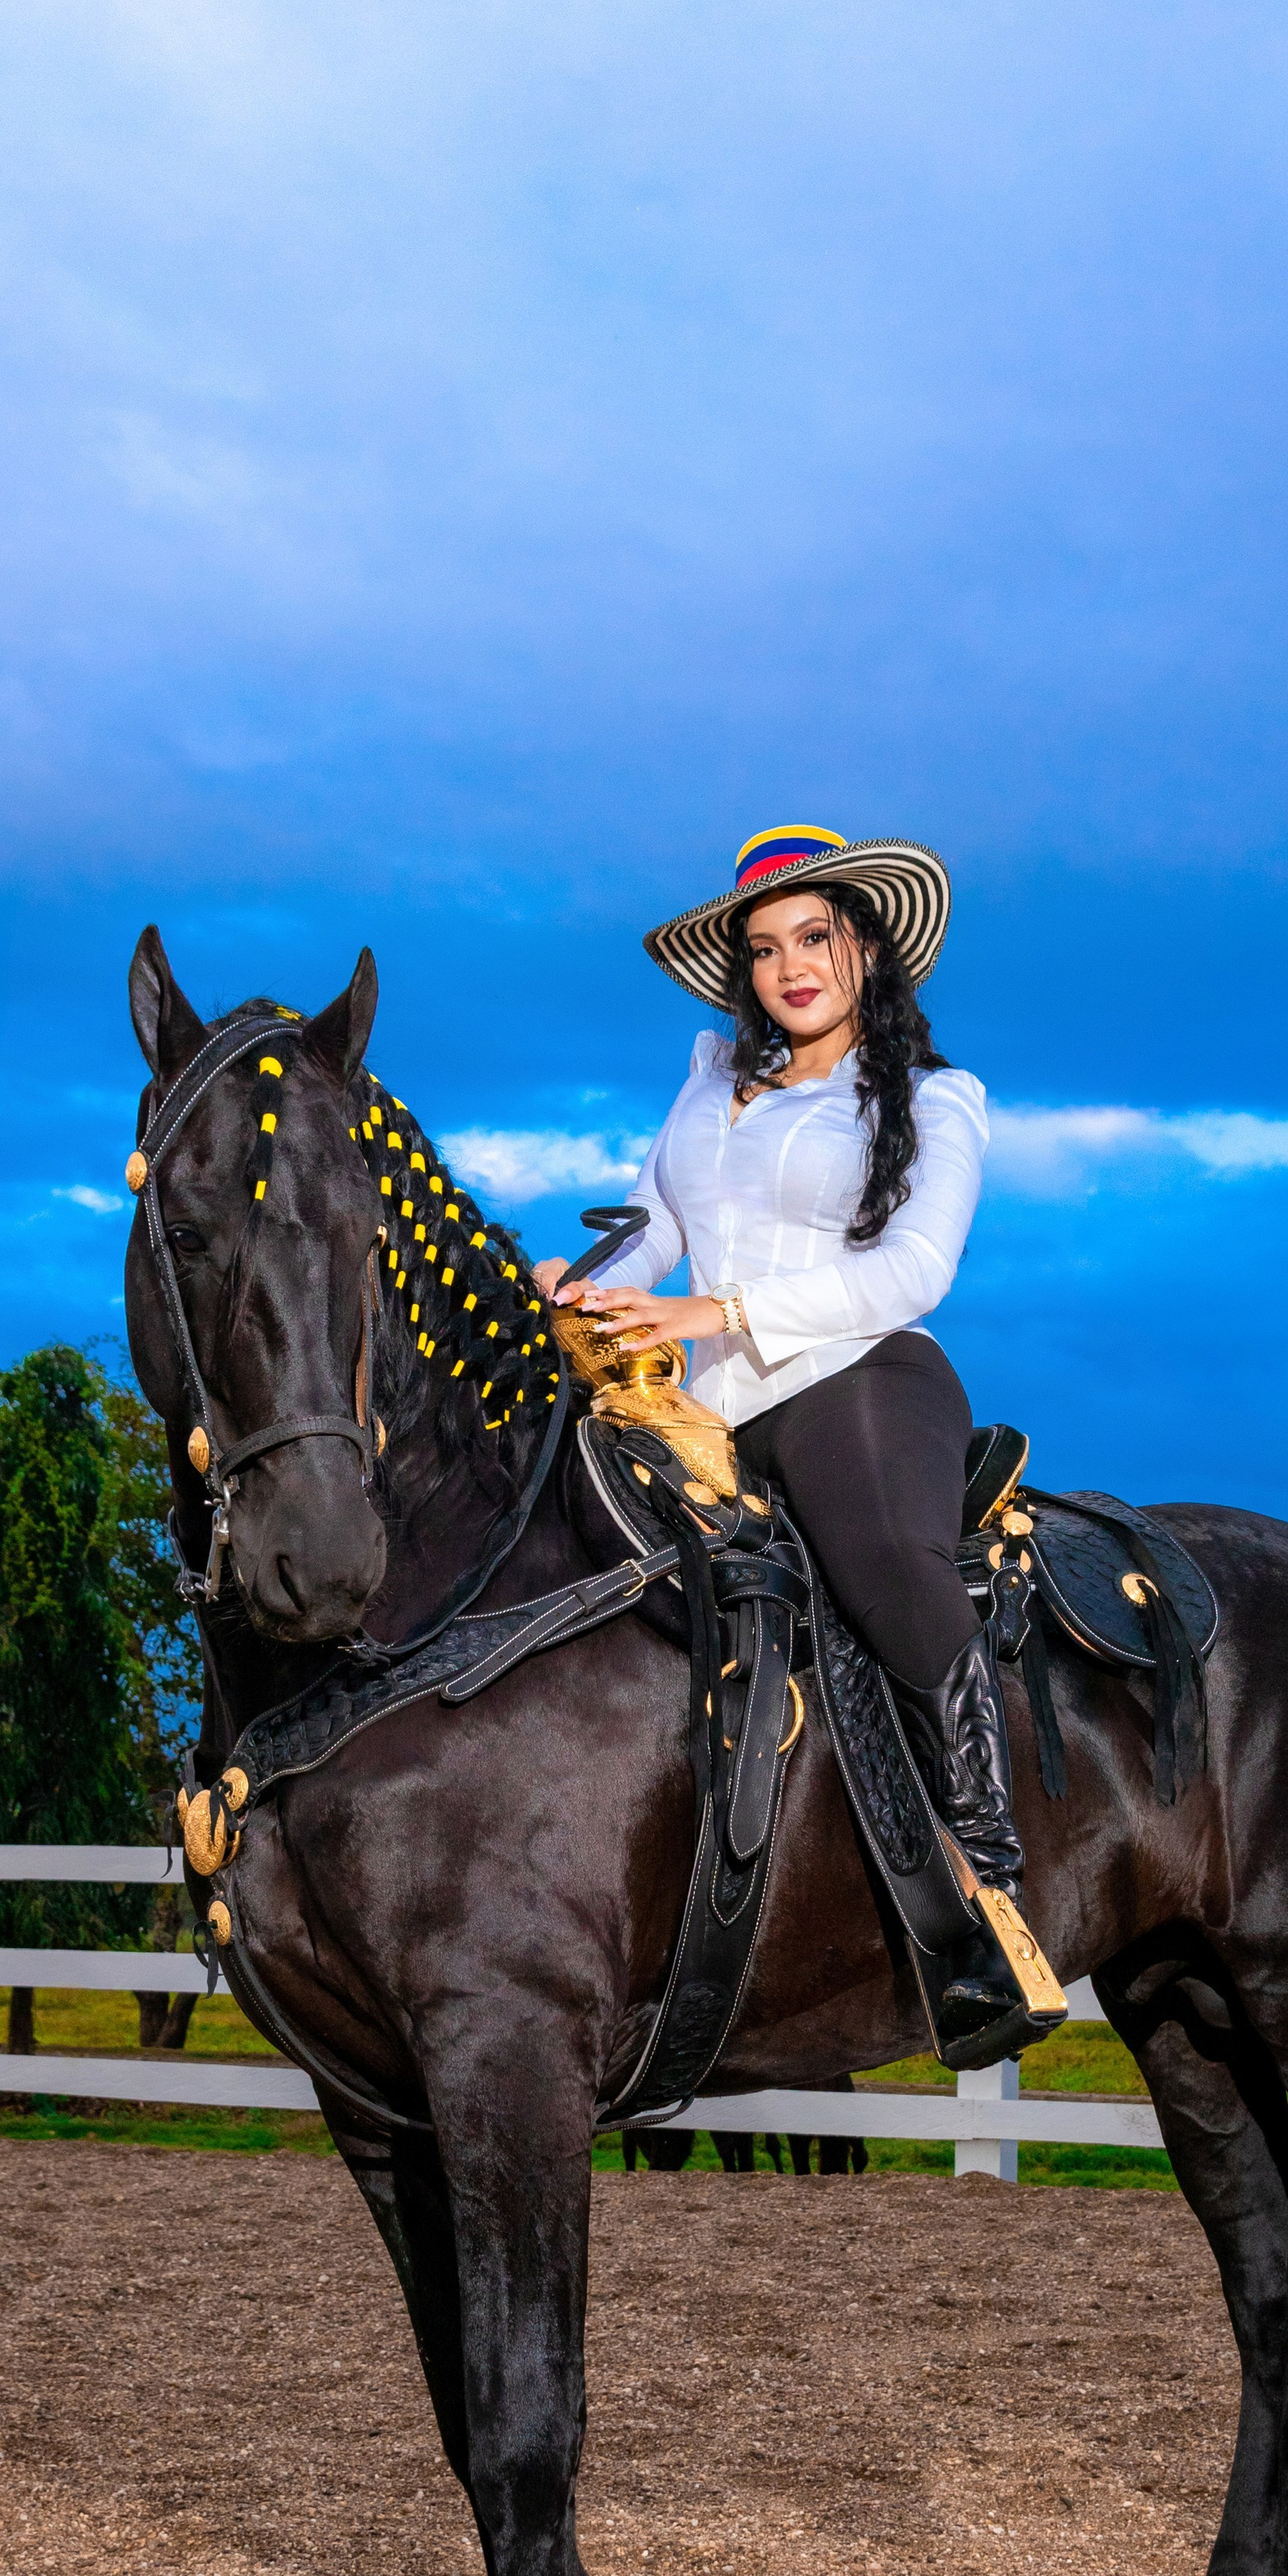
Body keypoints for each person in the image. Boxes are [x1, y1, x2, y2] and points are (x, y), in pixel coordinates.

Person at [533, 822, 1061, 2064]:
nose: (789, 965)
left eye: (813, 936)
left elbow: (917, 1271)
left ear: (865, 946)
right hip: (709, 1409)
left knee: (883, 1557)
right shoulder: (710, 1081)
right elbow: (659, 1224)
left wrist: (723, 1313)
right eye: (766, 946)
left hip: (856, 1377)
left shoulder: (938, 1100)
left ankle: (986, 1870)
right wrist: (587, 1282)